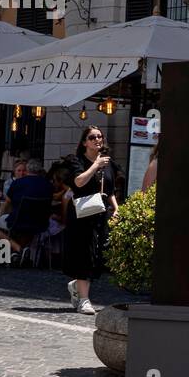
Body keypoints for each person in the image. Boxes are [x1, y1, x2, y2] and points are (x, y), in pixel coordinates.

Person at [62, 127, 120, 315]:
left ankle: (77, 286)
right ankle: (84, 300)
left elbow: (109, 190)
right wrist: (95, 165)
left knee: (97, 254)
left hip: (100, 214)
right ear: (84, 142)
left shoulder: (108, 163)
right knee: (84, 254)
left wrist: (116, 207)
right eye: (92, 137)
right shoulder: (76, 161)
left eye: (99, 136)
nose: (97, 139)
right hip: (82, 214)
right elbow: (78, 182)